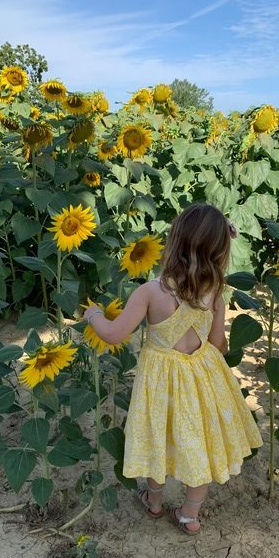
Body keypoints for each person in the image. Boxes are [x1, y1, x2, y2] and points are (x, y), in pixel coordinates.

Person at [83, 203, 262, 535]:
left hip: (161, 378)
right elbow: (219, 344)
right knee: (202, 441)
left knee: (158, 435)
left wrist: (93, 315)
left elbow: (113, 334)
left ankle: (153, 500)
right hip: (202, 374)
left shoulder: (151, 292)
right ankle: (189, 514)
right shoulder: (215, 292)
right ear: (221, 250)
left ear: (173, 240)